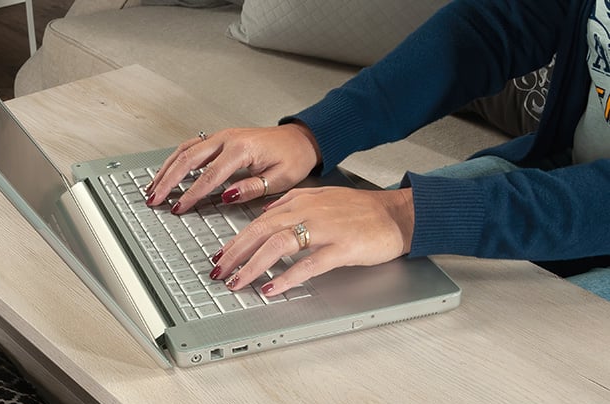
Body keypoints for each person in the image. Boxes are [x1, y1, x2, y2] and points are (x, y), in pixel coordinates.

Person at [144, 0, 610, 301]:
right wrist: (314, 135)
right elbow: (494, 29)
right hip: (562, 173)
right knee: (340, 281)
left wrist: (405, 215)